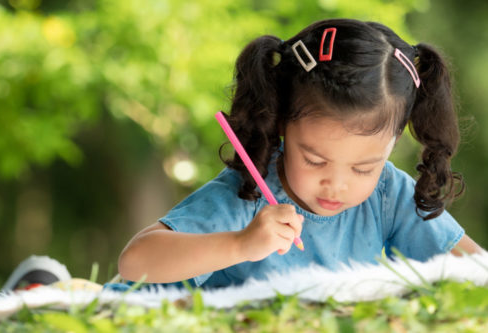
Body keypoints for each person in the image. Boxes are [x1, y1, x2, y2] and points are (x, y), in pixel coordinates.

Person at [117, 18, 483, 290]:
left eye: (363, 168)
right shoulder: (249, 195)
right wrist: (240, 244)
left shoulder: (389, 194)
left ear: (394, 141)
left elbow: (476, 270)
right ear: (281, 125)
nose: (336, 185)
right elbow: (135, 261)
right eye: (314, 160)